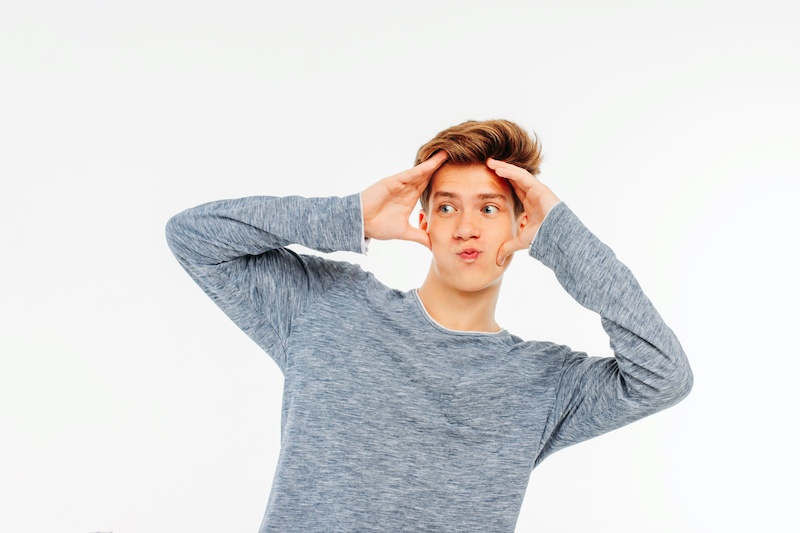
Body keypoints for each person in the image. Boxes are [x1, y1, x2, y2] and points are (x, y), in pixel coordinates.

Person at [165, 119, 693, 532]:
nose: (466, 227)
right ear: (425, 221)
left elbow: (663, 375)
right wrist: (349, 216)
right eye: (447, 207)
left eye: (489, 208)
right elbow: (194, 236)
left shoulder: (547, 383)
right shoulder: (328, 307)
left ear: (523, 225)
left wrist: (564, 237)